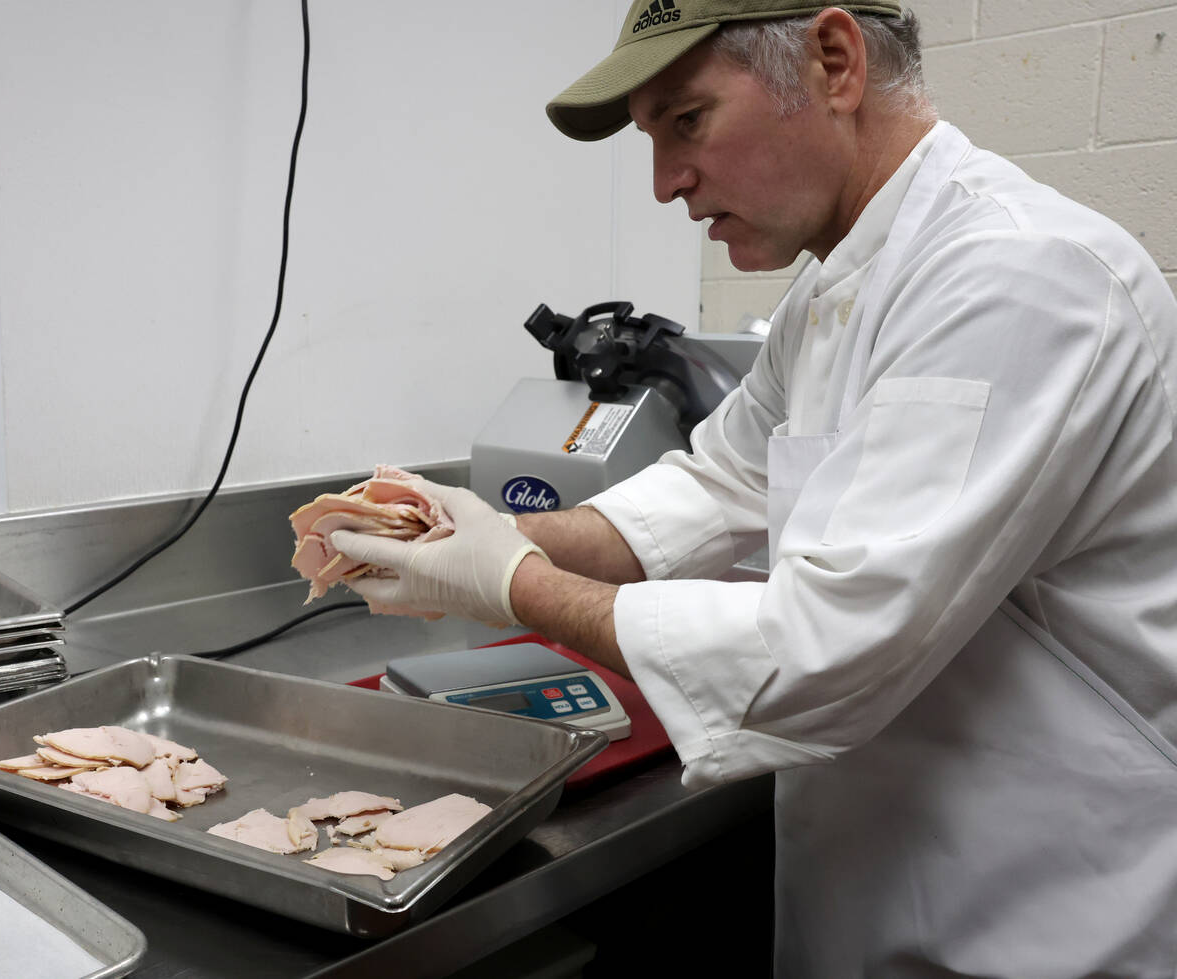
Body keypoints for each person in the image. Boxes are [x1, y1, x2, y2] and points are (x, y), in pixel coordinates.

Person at [333, 2, 1177, 975]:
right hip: (876, 887)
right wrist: (476, 533)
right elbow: (716, 486)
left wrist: (511, 582)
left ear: (834, 61)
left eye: (686, 121)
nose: (664, 185)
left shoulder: (1018, 276)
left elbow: (829, 649)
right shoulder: (831, 294)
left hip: (1045, 920)